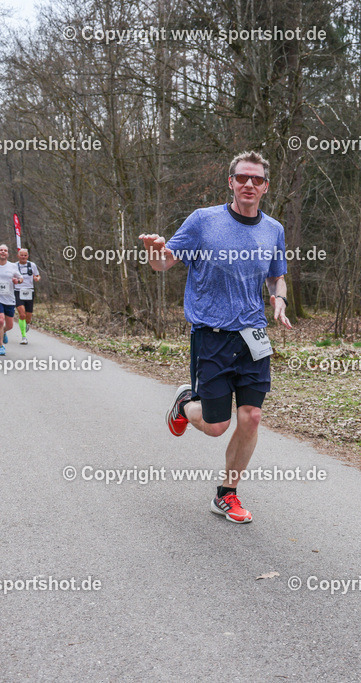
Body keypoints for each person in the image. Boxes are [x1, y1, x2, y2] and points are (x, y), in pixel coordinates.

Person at [139, 151, 291, 524]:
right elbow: (164, 263)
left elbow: (276, 274)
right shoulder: (203, 222)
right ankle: (184, 404)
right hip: (212, 334)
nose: (249, 185)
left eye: (256, 179)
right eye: (242, 178)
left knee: (252, 416)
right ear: (230, 182)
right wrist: (154, 252)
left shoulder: (274, 229)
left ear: (266, 186)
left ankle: (227, 494)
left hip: (254, 334)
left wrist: (280, 298)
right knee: (216, 424)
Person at [14, 248, 40, 345]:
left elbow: (37, 275)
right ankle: (23, 336)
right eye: (21, 255)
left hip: (29, 291)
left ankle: (27, 324)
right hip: (18, 291)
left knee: (28, 317)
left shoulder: (32, 265)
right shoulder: (14, 266)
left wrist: (37, 278)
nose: (23, 257)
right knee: (22, 314)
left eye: (25, 255)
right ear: (18, 256)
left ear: (28, 256)